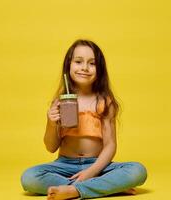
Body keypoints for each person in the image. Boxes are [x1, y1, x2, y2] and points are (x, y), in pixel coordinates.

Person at [21, 39, 147, 200]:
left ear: (100, 69)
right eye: (78, 62)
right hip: (64, 165)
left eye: (92, 63)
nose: (84, 68)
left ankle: (74, 190)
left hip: (97, 165)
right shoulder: (61, 101)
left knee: (137, 171)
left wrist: (91, 172)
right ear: (69, 66)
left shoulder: (104, 101)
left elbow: (110, 146)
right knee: (29, 177)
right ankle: (103, 186)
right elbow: (51, 147)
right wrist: (51, 122)